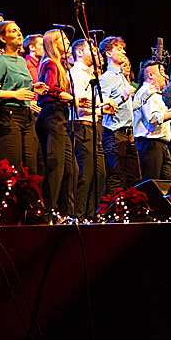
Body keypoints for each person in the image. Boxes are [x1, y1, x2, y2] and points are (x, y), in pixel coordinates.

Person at [0, 21, 47, 171]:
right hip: (8, 117)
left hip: (25, 117)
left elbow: (13, 84)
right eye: (13, 31)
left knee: (31, 168)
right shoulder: (1, 61)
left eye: (19, 30)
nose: (19, 33)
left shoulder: (20, 60)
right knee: (13, 168)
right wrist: (15, 94)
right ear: (2, 38)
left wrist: (32, 87)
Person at [35, 29, 77, 216]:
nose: (68, 42)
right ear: (54, 43)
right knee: (56, 166)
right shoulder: (50, 64)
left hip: (60, 116)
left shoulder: (60, 65)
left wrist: (71, 99)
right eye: (64, 39)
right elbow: (50, 89)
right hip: (52, 116)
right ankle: (50, 211)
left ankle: (67, 212)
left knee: (71, 168)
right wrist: (65, 96)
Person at [98, 36, 142, 193]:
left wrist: (147, 94)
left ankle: (132, 212)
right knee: (116, 177)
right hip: (114, 134)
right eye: (119, 49)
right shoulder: (106, 78)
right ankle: (112, 213)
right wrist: (122, 97)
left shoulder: (122, 77)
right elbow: (103, 104)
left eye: (123, 49)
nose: (123, 52)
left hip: (128, 134)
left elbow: (132, 106)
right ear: (109, 53)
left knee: (135, 177)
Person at [69, 38, 106, 220]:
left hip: (95, 125)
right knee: (85, 173)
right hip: (82, 125)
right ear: (79, 52)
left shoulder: (91, 74)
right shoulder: (77, 72)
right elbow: (80, 103)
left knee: (100, 173)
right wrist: (101, 107)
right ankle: (79, 215)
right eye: (91, 49)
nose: (96, 53)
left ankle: (93, 214)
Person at [133, 61, 171, 181]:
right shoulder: (147, 92)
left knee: (167, 182)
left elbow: (160, 116)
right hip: (150, 144)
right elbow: (153, 119)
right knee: (152, 184)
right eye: (162, 72)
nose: (166, 76)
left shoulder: (155, 94)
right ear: (151, 75)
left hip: (159, 144)